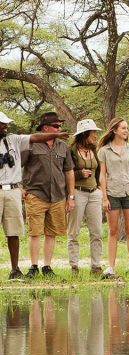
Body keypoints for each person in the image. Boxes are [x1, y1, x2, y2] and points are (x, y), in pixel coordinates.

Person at [0, 111, 71, 279]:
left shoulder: (13, 139)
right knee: (33, 232)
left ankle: (15, 270)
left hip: (12, 190)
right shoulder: (26, 147)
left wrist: (58, 134)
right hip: (27, 192)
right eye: (2, 123)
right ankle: (29, 267)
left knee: (13, 232)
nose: (6, 126)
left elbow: (35, 137)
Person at [22, 112, 75, 278]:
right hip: (36, 194)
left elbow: (69, 171)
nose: (59, 129)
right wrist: (19, 187)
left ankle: (47, 267)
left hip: (58, 195)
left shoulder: (63, 146)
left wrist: (71, 196)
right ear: (45, 128)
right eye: (56, 126)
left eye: (60, 126)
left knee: (51, 233)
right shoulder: (30, 144)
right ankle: (33, 266)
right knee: (35, 232)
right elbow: (16, 165)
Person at [97, 117, 129, 278]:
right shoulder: (104, 151)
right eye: (123, 128)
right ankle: (111, 266)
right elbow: (102, 175)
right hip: (112, 192)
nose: (126, 131)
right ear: (114, 130)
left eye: (127, 128)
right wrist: (104, 197)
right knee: (113, 230)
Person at [67, 119, 103, 275]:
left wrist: (101, 188)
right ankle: (74, 266)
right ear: (85, 133)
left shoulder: (94, 149)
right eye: (93, 132)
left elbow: (99, 170)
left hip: (94, 192)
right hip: (78, 191)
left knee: (97, 232)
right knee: (74, 231)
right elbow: (66, 172)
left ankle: (96, 266)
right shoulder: (72, 150)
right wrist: (79, 174)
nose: (95, 135)